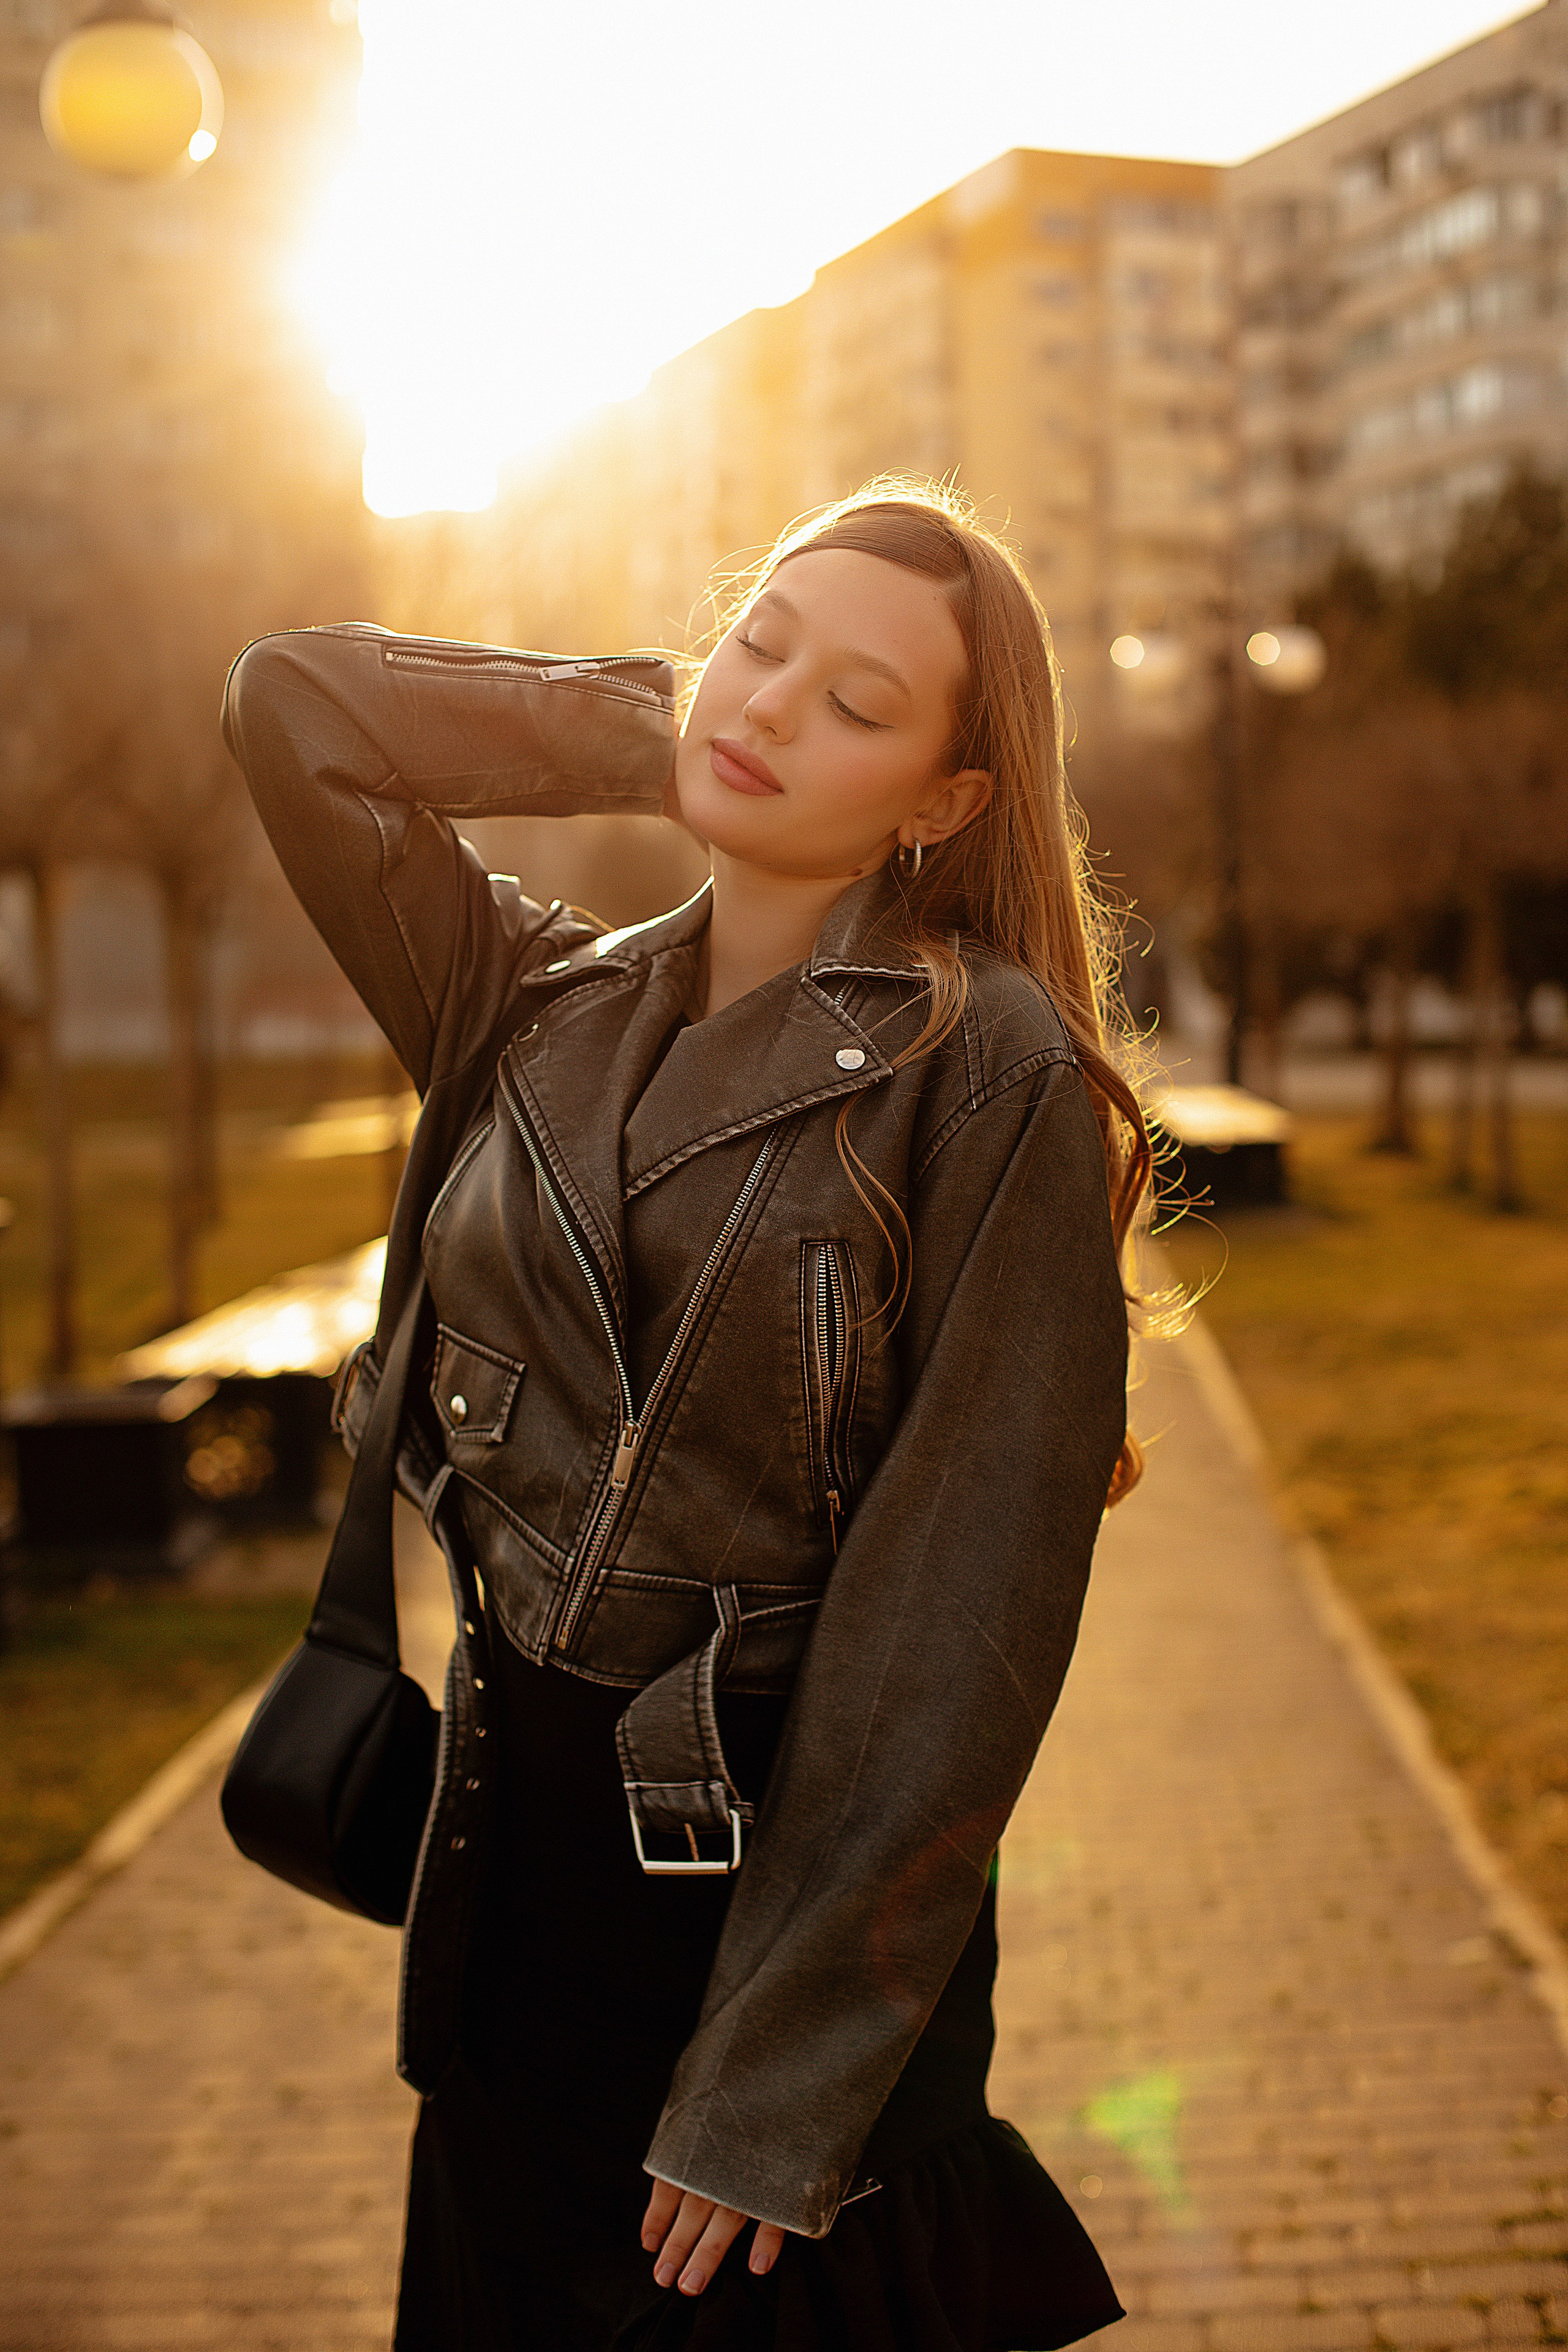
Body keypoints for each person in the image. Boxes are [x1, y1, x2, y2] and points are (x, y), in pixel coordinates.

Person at [222, 479, 1150, 2351]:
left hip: (766, 1938)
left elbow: (949, 1628)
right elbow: (297, 705)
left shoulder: (991, 1080)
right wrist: (666, 721)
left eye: (858, 707)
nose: (772, 707)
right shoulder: (533, 998)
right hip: (502, 1917)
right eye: (763, 642)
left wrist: (769, 2102)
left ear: (948, 802)